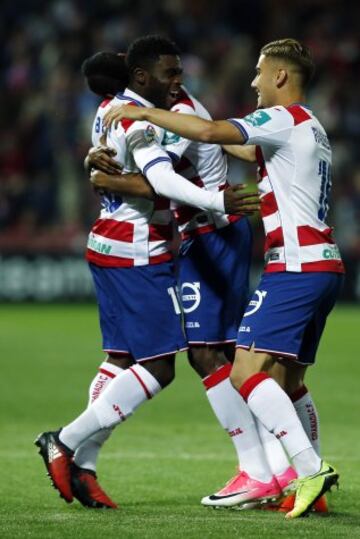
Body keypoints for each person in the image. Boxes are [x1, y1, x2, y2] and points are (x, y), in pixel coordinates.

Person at [103, 38, 344, 518]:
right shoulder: (313, 128)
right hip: (324, 264)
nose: (253, 81)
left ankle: (308, 467)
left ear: (279, 76)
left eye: (259, 72)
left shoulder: (282, 117)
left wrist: (145, 116)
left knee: (244, 372)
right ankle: (307, 489)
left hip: (293, 266)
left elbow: (213, 132)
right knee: (289, 379)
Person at [34, 37, 258, 510]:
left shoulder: (112, 109)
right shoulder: (144, 120)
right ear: (138, 76)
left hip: (107, 242)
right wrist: (219, 198)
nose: (178, 81)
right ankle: (65, 441)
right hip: (140, 249)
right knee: (161, 366)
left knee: (119, 360)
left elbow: (133, 168)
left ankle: (85, 467)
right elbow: (160, 179)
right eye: (169, 73)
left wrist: (98, 172)